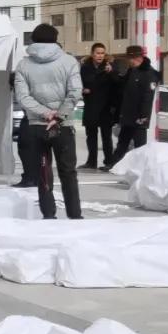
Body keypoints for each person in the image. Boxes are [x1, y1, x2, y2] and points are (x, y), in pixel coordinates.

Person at [13, 24, 83, 220]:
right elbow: (75, 92)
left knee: (43, 171)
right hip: (63, 126)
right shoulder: (69, 61)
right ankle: (75, 216)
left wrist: (45, 114)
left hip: (36, 126)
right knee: (68, 172)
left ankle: (49, 215)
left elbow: (23, 97)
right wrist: (59, 116)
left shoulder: (23, 65)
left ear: (33, 40)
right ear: (55, 38)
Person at [109, 45, 160, 167]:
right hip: (127, 115)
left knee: (139, 145)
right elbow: (123, 86)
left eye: (129, 58)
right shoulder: (132, 71)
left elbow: (147, 97)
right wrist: (113, 73)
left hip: (139, 117)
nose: (128, 61)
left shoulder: (149, 73)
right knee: (122, 142)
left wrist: (143, 116)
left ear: (137, 58)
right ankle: (114, 164)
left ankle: (140, 167)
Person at [78, 43, 118, 170]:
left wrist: (111, 73)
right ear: (92, 54)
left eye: (102, 53)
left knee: (106, 136)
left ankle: (109, 161)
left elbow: (118, 83)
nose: (100, 55)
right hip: (91, 105)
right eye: (98, 53)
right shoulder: (85, 67)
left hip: (106, 106)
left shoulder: (110, 67)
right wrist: (83, 89)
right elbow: (81, 82)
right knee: (91, 136)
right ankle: (91, 161)